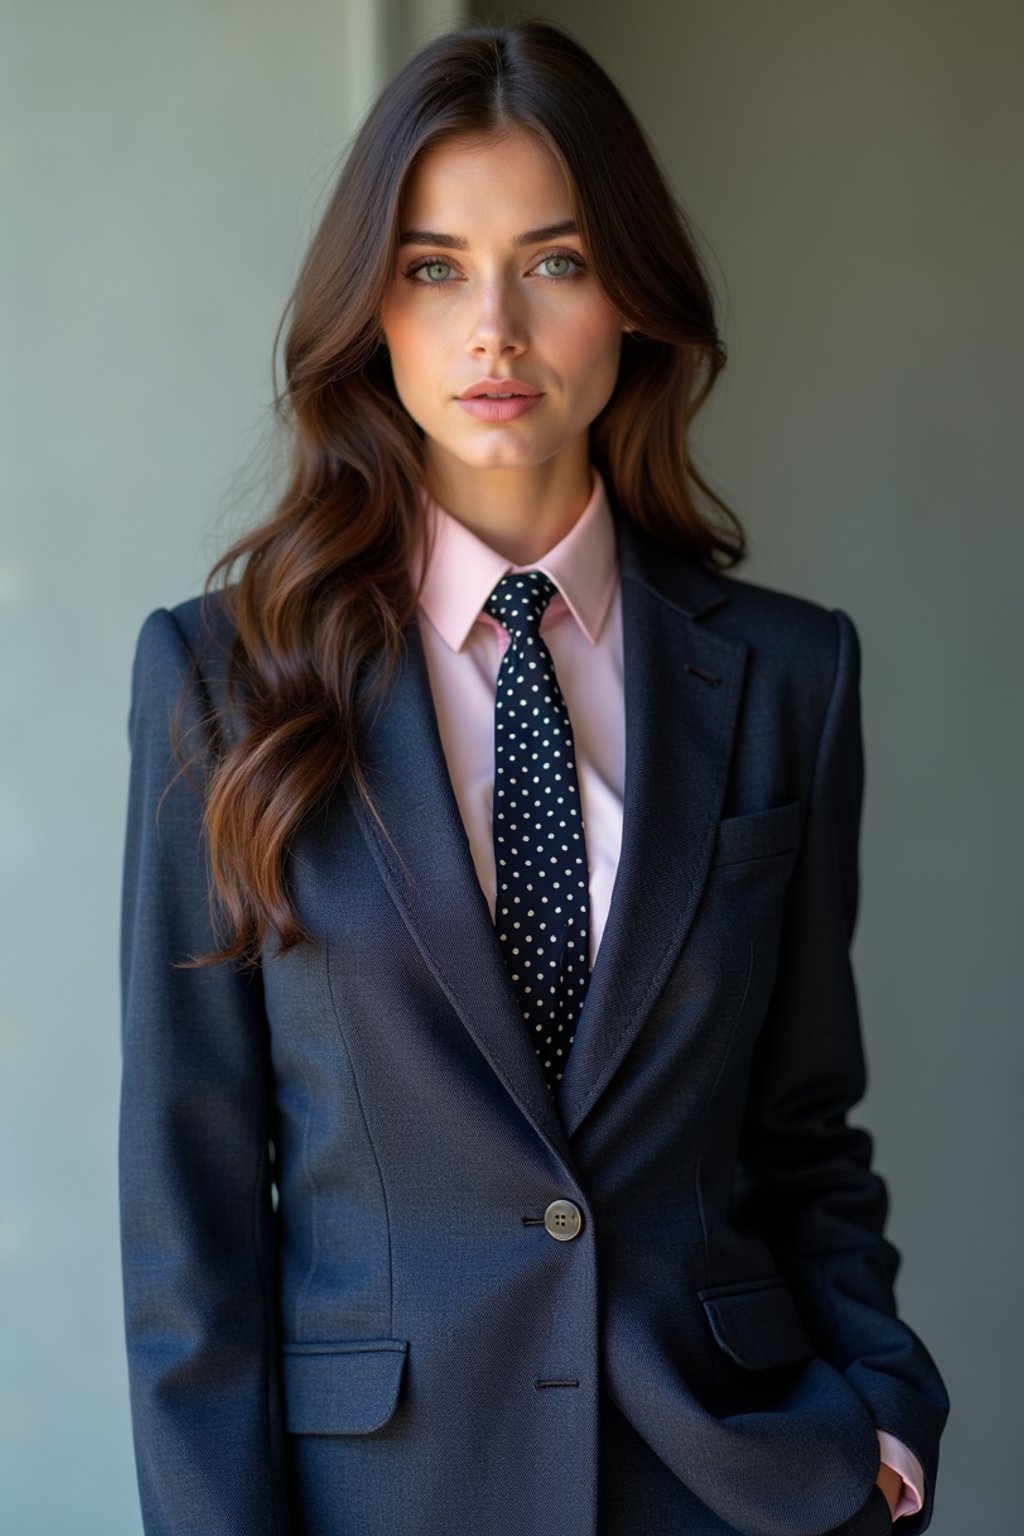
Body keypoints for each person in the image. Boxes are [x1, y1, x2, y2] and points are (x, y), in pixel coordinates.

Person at [117, 19, 949, 1536]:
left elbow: (803, 1131)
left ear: (629, 292)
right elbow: (189, 1218)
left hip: (725, 1484)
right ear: (371, 307)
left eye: (552, 261)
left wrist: (885, 1404)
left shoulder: (787, 675)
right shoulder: (221, 681)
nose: (492, 326)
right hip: (387, 1490)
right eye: (434, 266)